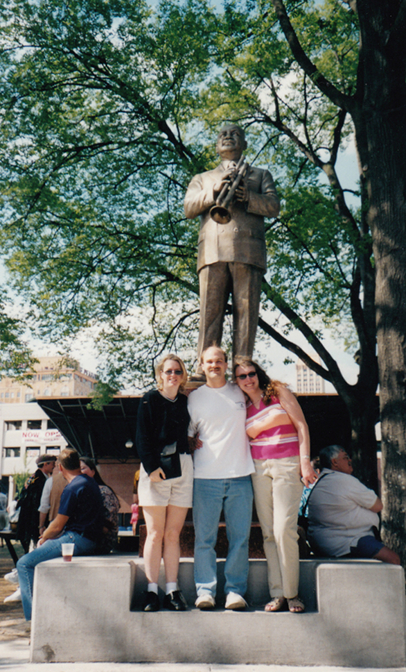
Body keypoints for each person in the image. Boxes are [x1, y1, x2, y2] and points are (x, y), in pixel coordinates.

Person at [184, 124, 280, 372]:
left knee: (246, 313)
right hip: (212, 251)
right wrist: (213, 192)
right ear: (216, 146)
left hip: (248, 250)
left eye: (235, 134)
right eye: (222, 135)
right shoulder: (202, 179)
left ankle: (243, 367)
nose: (228, 137)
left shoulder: (260, 175)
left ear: (245, 144)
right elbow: (189, 208)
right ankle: (204, 369)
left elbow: (273, 206)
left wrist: (248, 196)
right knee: (209, 314)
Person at [233, 357, 318, 613]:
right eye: (241, 376)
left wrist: (305, 462)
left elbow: (301, 425)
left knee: (284, 530)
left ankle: (292, 593)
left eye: (251, 373)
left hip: (287, 464)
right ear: (236, 381)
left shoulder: (278, 391)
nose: (248, 379)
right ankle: (277, 593)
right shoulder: (241, 406)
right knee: (269, 532)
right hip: (259, 469)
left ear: (258, 373)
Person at [188, 346, 254, 611]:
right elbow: (188, 434)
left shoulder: (241, 391)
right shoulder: (194, 398)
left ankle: (235, 592)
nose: (214, 365)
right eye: (209, 361)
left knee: (240, 539)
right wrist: (191, 442)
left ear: (226, 364)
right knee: (204, 540)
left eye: (219, 361)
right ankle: (205, 591)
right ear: (202, 365)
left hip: (240, 476)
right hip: (205, 478)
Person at [16, 448, 104, 621]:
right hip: (92, 539)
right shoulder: (89, 482)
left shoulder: (72, 488)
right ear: (78, 464)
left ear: (61, 468)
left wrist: (44, 536)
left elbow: (57, 525)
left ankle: (33, 620)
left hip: (77, 539)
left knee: (24, 564)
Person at [136, 354, 193, 612]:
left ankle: (172, 590)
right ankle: (151, 591)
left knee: (173, 534)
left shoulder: (186, 401)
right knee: (155, 533)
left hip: (182, 467)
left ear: (183, 376)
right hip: (156, 469)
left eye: (177, 372)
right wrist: (151, 467)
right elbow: (142, 437)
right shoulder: (150, 399)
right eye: (168, 371)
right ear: (160, 374)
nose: (173, 375)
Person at [307, 445, 400, 564]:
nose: (350, 460)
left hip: (326, 542)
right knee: (393, 559)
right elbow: (378, 506)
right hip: (348, 541)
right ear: (334, 462)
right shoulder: (344, 480)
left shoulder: (321, 481)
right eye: (345, 457)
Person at [16, 454, 57, 553]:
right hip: (33, 519)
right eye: (53, 464)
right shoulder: (40, 480)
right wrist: (40, 524)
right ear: (45, 464)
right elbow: (37, 503)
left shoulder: (33, 478)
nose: (54, 466)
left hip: (27, 518)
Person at [80, 457, 120, 553]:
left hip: (100, 540)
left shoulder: (104, 491)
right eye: (77, 469)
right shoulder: (79, 491)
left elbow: (109, 520)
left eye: (83, 468)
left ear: (93, 471)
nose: (80, 472)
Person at [38, 459, 67, 535]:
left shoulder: (51, 481)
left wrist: (41, 526)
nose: (54, 466)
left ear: (60, 466)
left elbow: (44, 506)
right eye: (52, 464)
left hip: (55, 524)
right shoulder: (82, 480)